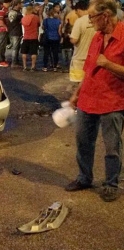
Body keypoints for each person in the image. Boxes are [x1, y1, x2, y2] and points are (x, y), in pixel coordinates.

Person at [65, 0, 124, 202]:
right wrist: (77, 93)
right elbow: (89, 68)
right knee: (83, 142)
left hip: (113, 101)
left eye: (92, 17)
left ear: (105, 15)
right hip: (88, 99)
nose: (89, 22)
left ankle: (111, 184)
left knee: (112, 147)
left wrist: (108, 64)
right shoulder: (97, 37)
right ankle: (84, 178)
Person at [68, 1, 96, 82]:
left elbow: (74, 40)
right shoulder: (96, 20)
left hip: (80, 58)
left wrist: (70, 37)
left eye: (77, 13)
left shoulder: (79, 21)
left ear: (79, 10)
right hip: (94, 58)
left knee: (80, 85)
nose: (77, 15)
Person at [21, 5, 41, 71]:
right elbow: (39, 24)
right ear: (32, 10)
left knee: (24, 53)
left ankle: (24, 66)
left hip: (26, 36)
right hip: (34, 37)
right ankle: (33, 67)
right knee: (33, 53)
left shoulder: (23, 18)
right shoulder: (35, 17)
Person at [8, 0, 23, 68]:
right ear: (17, 4)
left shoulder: (12, 12)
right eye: (21, 4)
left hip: (13, 31)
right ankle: (14, 63)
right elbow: (15, 22)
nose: (22, 5)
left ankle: (16, 61)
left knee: (16, 48)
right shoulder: (16, 13)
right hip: (15, 32)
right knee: (15, 48)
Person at [0, 0, 12, 67]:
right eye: (8, 3)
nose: (9, 4)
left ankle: (3, 59)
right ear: (5, 3)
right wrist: (6, 27)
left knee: (4, 45)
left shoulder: (6, 9)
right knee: (2, 45)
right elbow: (0, 20)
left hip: (4, 30)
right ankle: (1, 61)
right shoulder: (2, 10)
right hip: (2, 30)